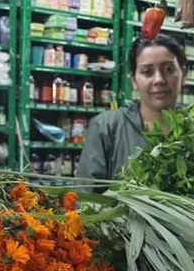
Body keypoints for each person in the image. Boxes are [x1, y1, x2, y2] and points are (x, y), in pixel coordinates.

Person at [76, 34, 187, 181]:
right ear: (134, 81)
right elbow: (87, 196)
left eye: (168, 69)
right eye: (147, 72)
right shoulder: (106, 127)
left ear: (183, 75)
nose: (159, 80)